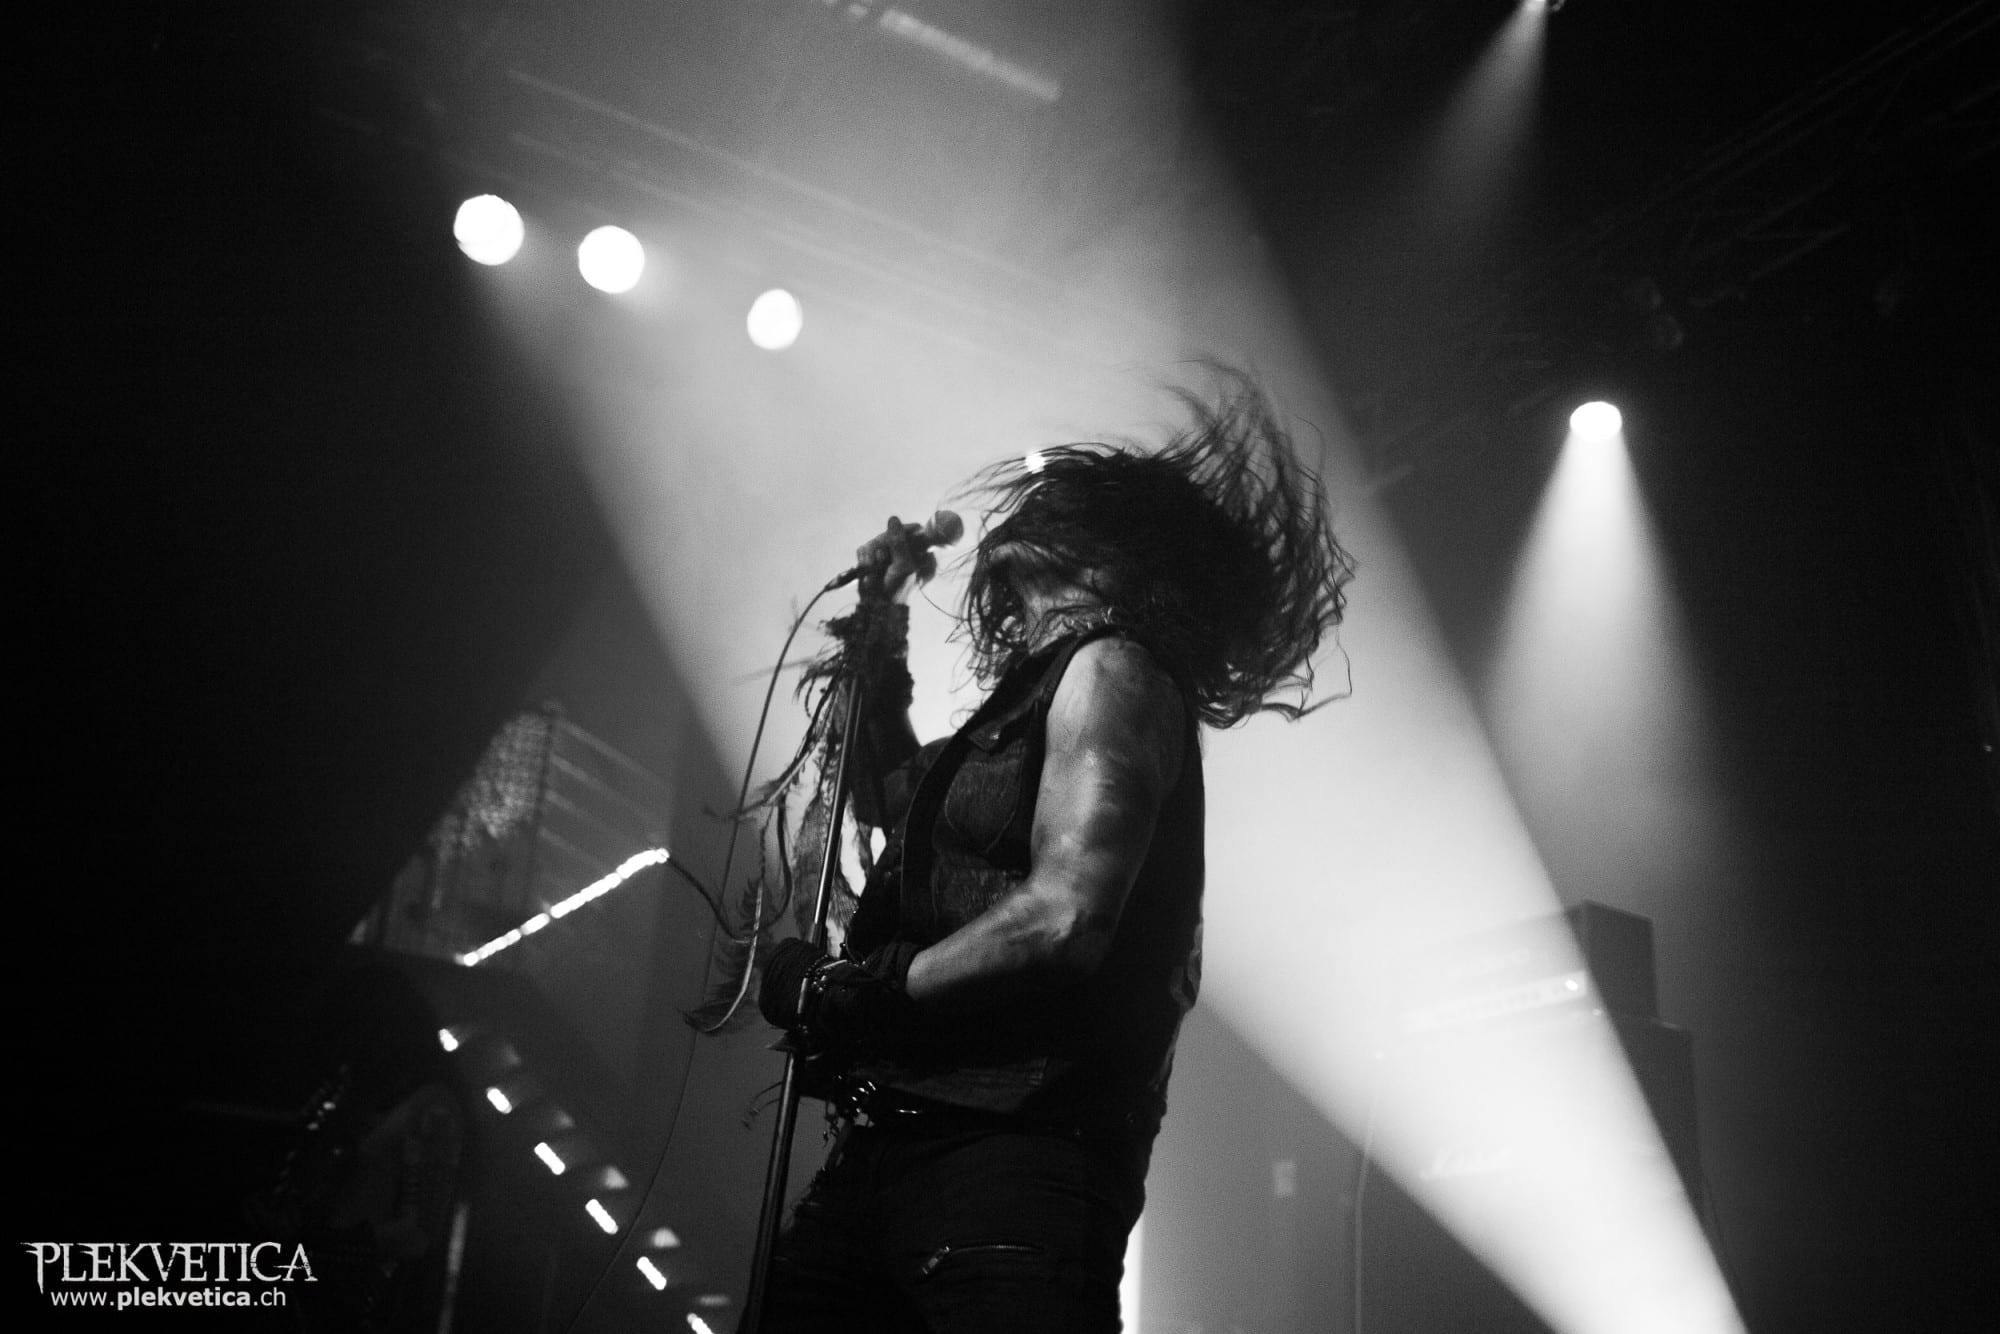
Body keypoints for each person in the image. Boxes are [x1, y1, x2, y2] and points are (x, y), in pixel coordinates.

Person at [755, 371, 1356, 1332]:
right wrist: (882, 622)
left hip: (1017, 1157)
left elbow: (1067, 916)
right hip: (894, 1143)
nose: (1028, 512)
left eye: (1062, 508)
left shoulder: (1113, 671)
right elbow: (892, 800)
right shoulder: (1028, 701)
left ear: (1116, 555)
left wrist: (859, 990)